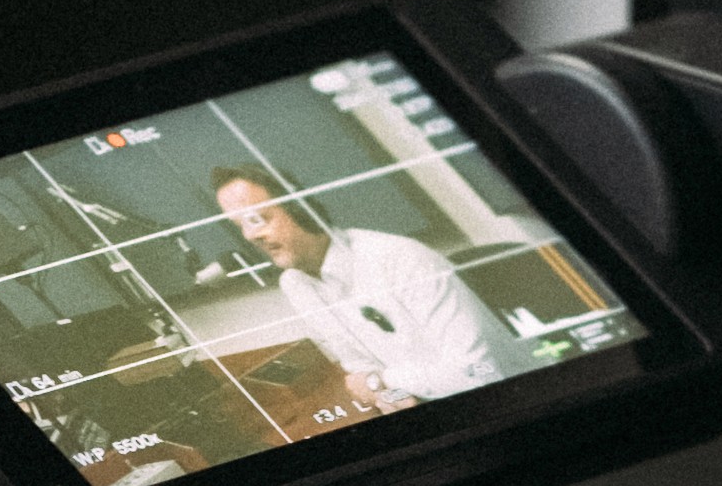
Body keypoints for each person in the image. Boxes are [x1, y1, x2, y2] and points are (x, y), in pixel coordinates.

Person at [208, 163, 503, 403]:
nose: (250, 236)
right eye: (240, 226)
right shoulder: (295, 284)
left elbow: (480, 373)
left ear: (299, 207)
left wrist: (382, 381)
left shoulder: (401, 259)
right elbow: (363, 374)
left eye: (257, 219)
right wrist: (389, 391)